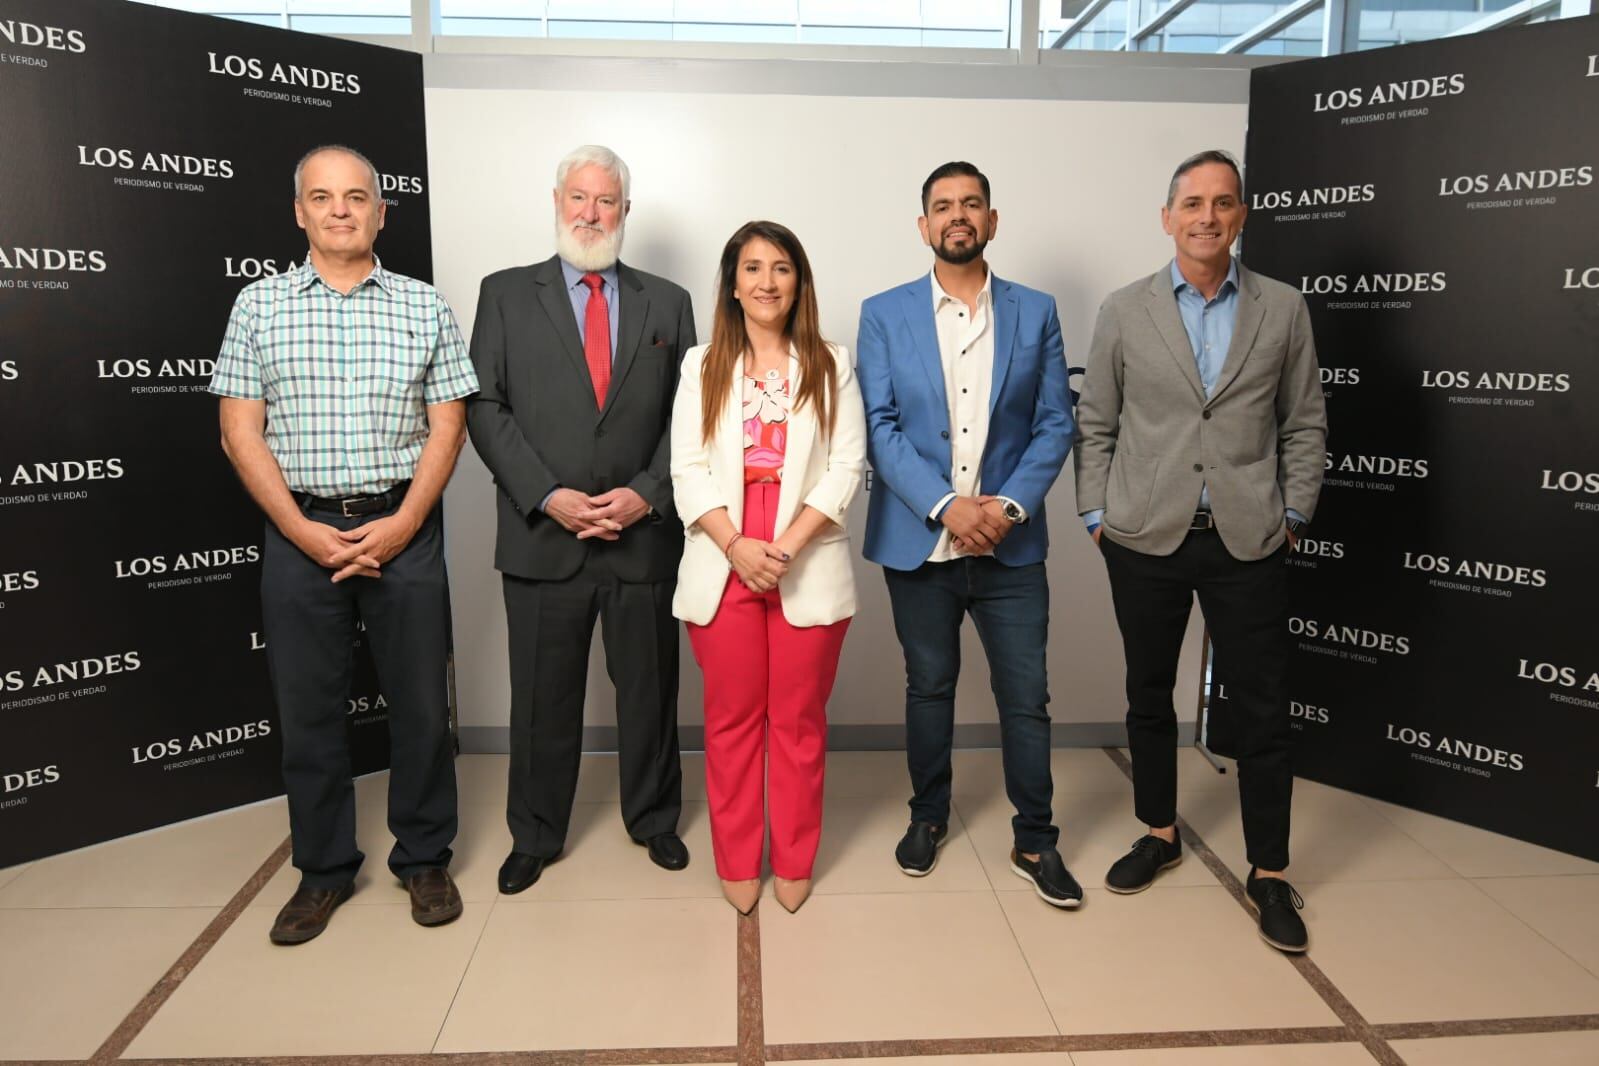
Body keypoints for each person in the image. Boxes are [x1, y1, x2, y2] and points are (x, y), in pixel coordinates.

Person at [212, 145, 477, 944]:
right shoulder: (258, 307)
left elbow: (448, 425)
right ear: (298, 212)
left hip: (405, 524)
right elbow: (238, 429)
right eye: (322, 197)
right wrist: (302, 531)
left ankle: (424, 858)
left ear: (380, 213)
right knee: (310, 714)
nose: (339, 210)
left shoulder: (424, 305)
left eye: (356, 197)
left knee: (423, 711)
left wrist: (401, 525)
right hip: (300, 529)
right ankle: (323, 871)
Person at [1074, 149, 1327, 952]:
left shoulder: (1282, 309)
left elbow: (1304, 421)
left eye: (1222, 203)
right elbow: (1097, 423)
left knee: (1260, 709)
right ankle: (1158, 832)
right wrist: (1093, 513)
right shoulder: (1124, 308)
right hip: (1145, 537)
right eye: (1191, 203)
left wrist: (1291, 510)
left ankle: (1270, 873)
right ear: (1167, 217)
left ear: (1241, 215)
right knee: (1149, 695)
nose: (1206, 217)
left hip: (1248, 539)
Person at [466, 145, 696, 895]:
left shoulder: (669, 301)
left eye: (606, 201)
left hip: (642, 536)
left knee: (651, 690)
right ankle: (534, 834)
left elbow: (690, 417)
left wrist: (647, 492)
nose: (591, 213)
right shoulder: (502, 294)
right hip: (543, 535)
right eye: (578, 198)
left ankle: (655, 820)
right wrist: (546, 495)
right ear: (556, 200)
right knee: (541, 698)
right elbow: (486, 408)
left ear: (625, 211)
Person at [857, 162, 1080, 908]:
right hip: (921, 542)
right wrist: (947, 507)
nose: (957, 215)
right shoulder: (883, 314)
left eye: (970, 204)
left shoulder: (1035, 310)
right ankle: (927, 817)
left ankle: (1035, 839)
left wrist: (1006, 508)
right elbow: (879, 429)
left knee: (1026, 697)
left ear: (991, 220)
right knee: (929, 688)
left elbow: (1055, 421)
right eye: (942, 206)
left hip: (1011, 546)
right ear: (923, 226)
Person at [670, 221, 865, 915]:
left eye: (780, 268)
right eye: (752, 268)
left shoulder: (829, 363)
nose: (766, 282)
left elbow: (846, 466)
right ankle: (734, 857)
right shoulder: (701, 365)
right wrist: (736, 545)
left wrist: (785, 543)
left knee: (798, 720)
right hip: (723, 550)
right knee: (730, 720)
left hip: (803, 548)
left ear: (798, 282)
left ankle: (793, 856)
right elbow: (686, 469)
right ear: (731, 282)